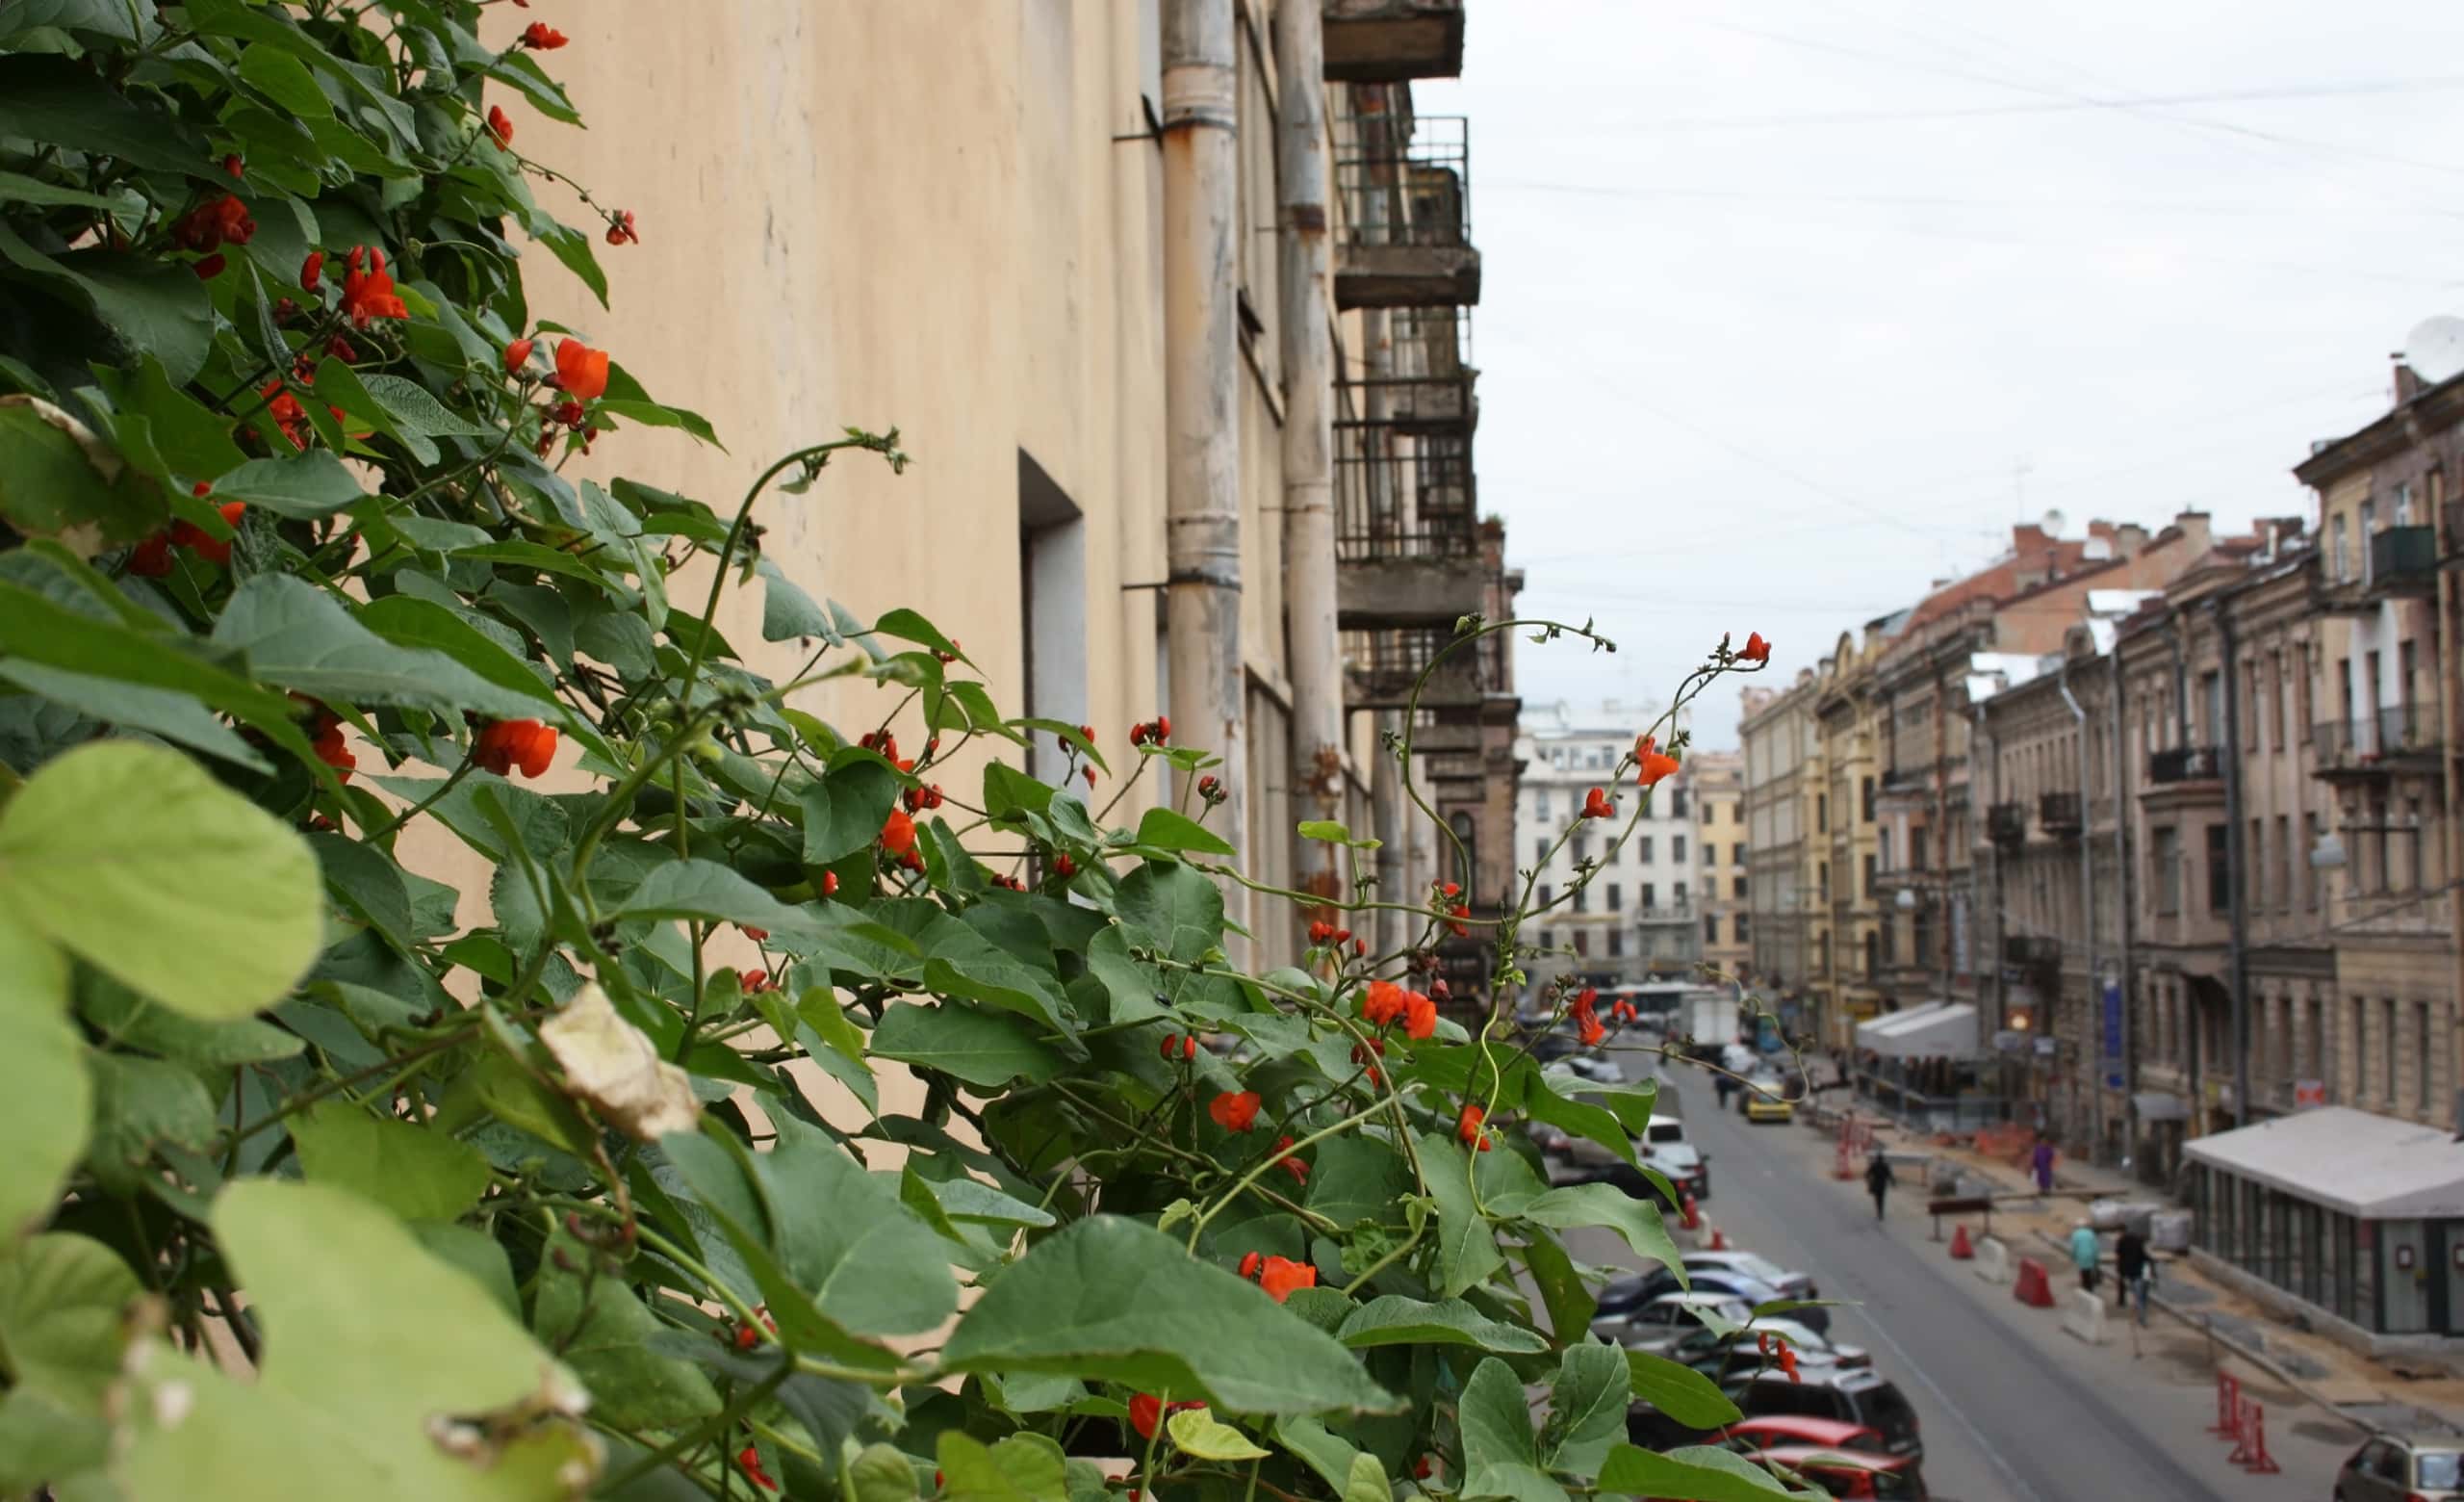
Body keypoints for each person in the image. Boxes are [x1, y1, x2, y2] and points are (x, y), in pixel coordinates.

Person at [2116, 1224, 2153, 1325]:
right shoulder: (2142, 1249)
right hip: (2145, 1274)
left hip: (2135, 1275)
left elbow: (2119, 1257)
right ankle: (2142, 1315)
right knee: (2143, 1297)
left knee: (2138, 1297)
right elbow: (2148, 1260)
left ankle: (2142, 1318)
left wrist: (2121, 1271)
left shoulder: (2123, 1243)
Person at [2069, 1219, 2102, 1294]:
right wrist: (2096, 1256)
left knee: (2083, 1272)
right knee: (2089, 1272)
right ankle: (2090, 1288)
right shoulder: (2091, 1233)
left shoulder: (2075, 1234)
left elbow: (2074, 1247)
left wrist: (2073, 1257)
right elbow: (2095, 1246)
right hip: (2090, 1254)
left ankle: (2085, 1287)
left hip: (2081, 1255)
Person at [1864, 1150, 1894, 1221]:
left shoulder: (1874, 1165)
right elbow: (1889, 1175)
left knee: (1877, 1199)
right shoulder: (1885, 1165)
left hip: (1876, 1184)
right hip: (1883, 1185)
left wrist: (1869, 1182)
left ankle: (1878, 1212)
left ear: (1877, 1158)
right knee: (1882, 1199)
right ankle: (1881, 1213)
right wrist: (1893, 1182)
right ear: (1883, 1158)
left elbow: (1867, 1174)